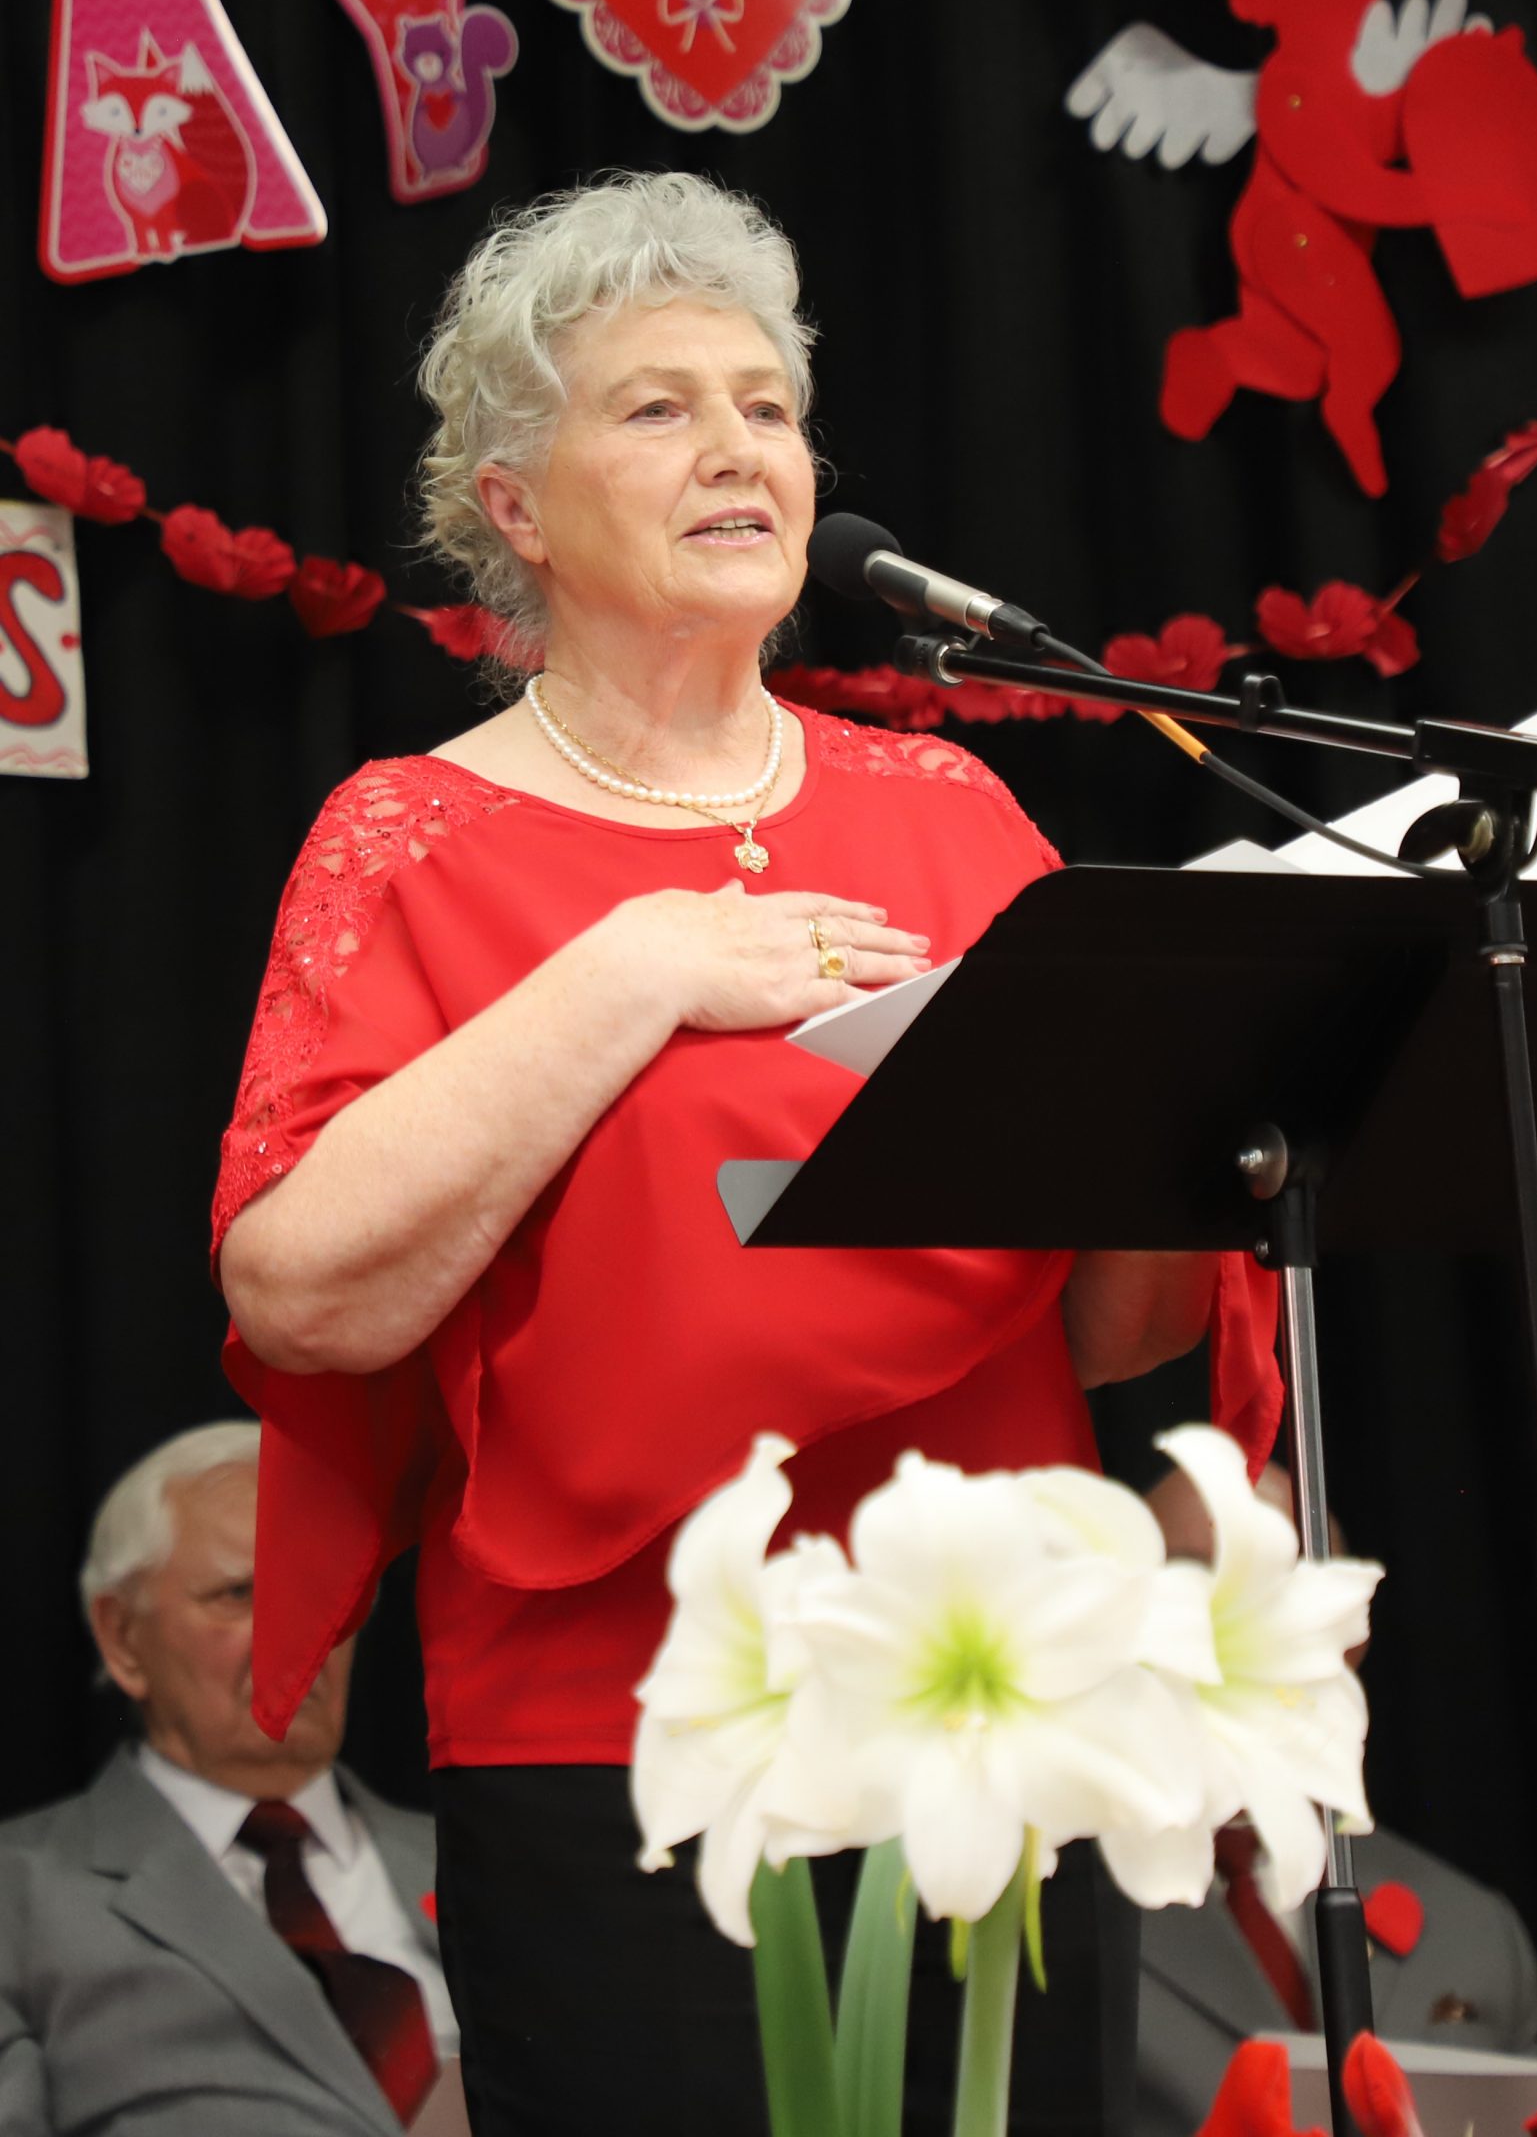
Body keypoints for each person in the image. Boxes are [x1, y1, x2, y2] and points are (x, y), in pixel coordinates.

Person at [212, 171, 1236, 2135]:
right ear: (514, 507)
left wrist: (1194, 1107)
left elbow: (1111, 1334)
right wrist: (639, 969)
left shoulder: (954, 809)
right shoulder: (409, 836)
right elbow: (300, 1288)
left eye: (767, 406)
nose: (737, 448)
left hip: (996, 1710)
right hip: (627, 1725)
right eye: (656, 406)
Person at [0, 1423, 456, 2136]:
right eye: (239, 1594)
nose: (299, 1638)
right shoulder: (19, 1894)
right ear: (122, 1638)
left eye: (321, 1593)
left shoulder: (480, 1864)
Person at [1131, 1462, 1537, 2137]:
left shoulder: (1470, 1931)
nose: (1223, 1625)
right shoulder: (1033, 1908)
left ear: (1348, 1637)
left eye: (1273, 1588)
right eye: (1185, 1580)